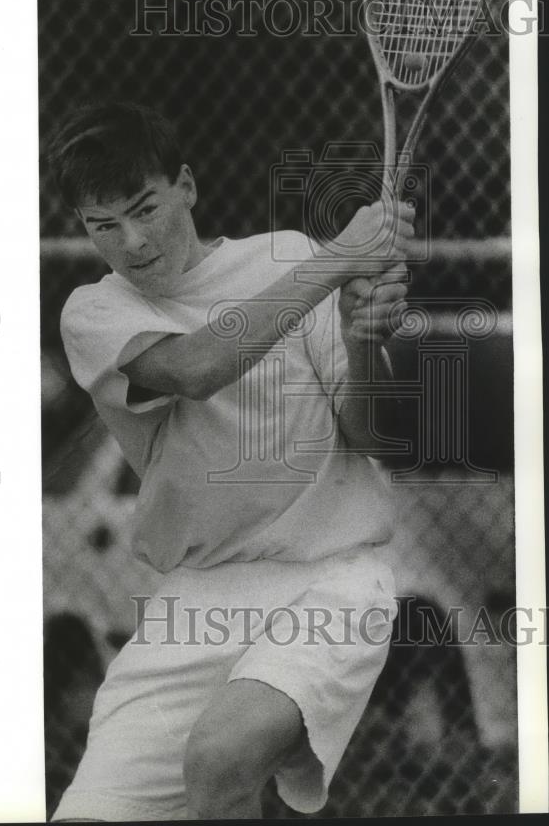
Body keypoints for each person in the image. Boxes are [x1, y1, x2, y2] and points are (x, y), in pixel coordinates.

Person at [47, 102, 414, 821]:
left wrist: (359, 336)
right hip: (195, 599)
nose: (132, 241)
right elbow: (194, 368)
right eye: (102, 225)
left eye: (144, 208)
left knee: (219, 760)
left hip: (330, 583)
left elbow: (375, 437)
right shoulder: (93, 313)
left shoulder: (283, 259)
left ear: (185, 185)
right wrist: (336, 263)